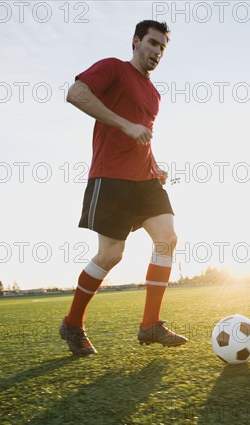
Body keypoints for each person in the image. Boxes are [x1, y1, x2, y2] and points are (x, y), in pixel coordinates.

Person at [59, 20, 188, 355]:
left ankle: (150, 325)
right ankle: (72, 324)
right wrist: (124, 124)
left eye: (162, 47)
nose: (157, 52)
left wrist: (155, 163)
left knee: (167, 238)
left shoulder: (154, 94)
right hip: (111, 175)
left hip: (145, 180)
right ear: (136, 42)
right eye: (152, 43)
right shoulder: (113, 68)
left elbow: (143, 133)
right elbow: (75, 93)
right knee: (112, 254)